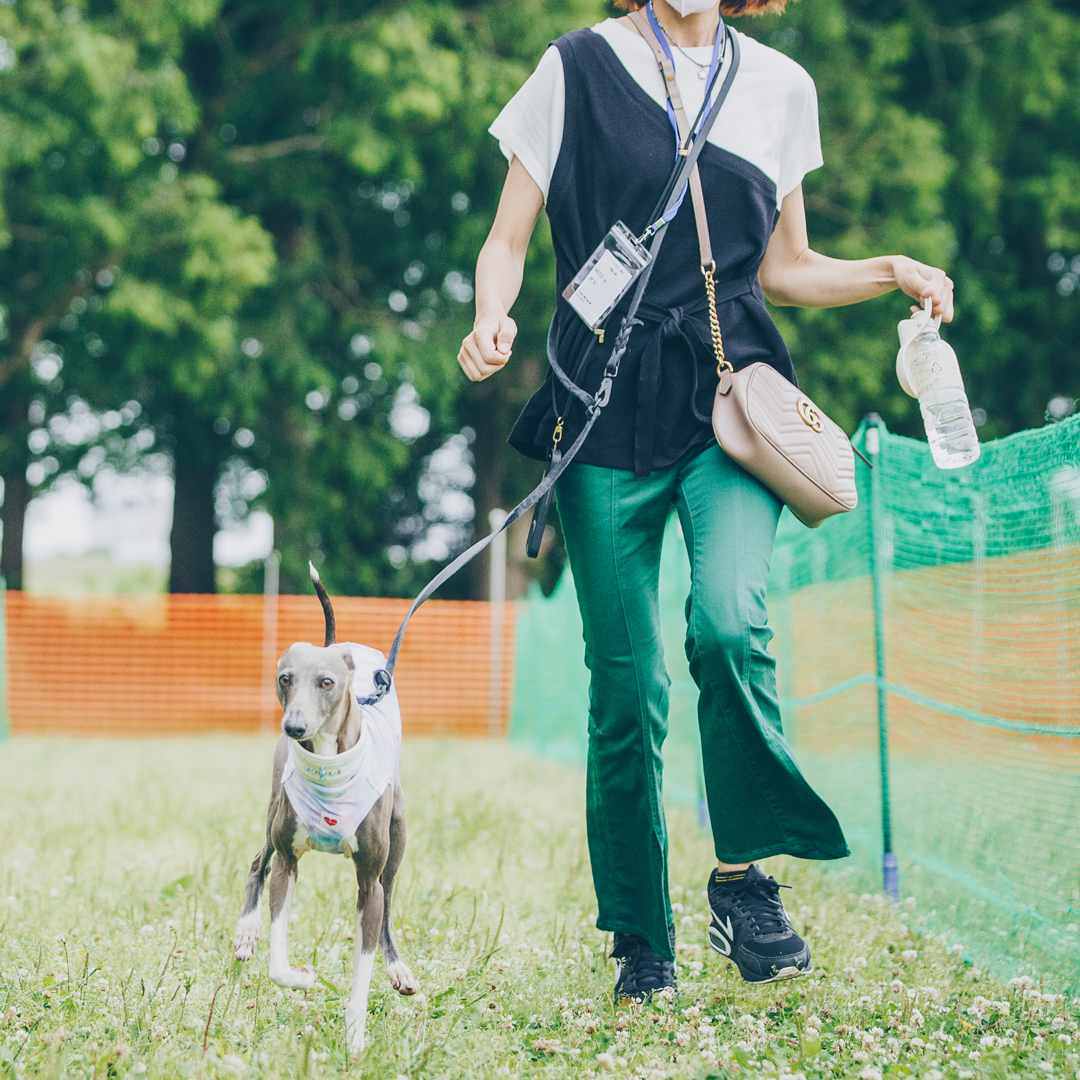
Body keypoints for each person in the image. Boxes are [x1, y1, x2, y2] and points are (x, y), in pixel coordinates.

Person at [458, 0, 954, 1002]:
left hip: (731, 407)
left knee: (730, 624)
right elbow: (507, 239)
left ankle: (744, 877)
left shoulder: (779, 84)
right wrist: (490, 318)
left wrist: (891, 267)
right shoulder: (576, 68)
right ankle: (643, 940)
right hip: (599, 410)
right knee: (625, 688)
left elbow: (785, 267)